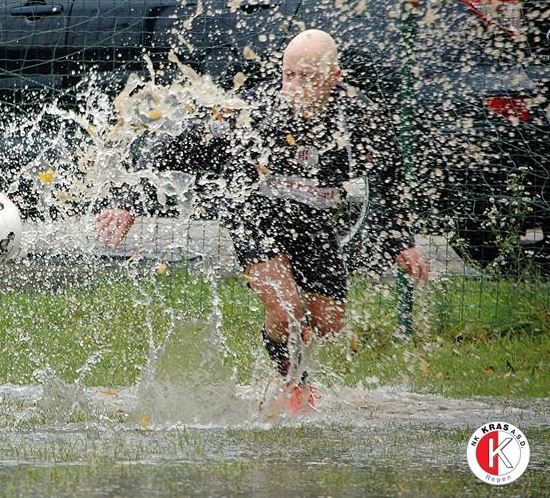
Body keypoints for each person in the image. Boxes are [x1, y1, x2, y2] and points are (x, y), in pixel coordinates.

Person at [96, 29, 429, 413]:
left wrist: (401, 242)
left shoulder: (358, 116)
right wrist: (126, 202)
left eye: (309, 77)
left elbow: (388, 177)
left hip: (317, 220)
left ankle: (292, 360)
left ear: (335, 77)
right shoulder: (256, 111)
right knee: (287, 310)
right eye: (290, 75)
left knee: (329, 322)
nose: (296, 86)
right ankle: (293, 382)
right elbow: (175, 144)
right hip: (257, 215)